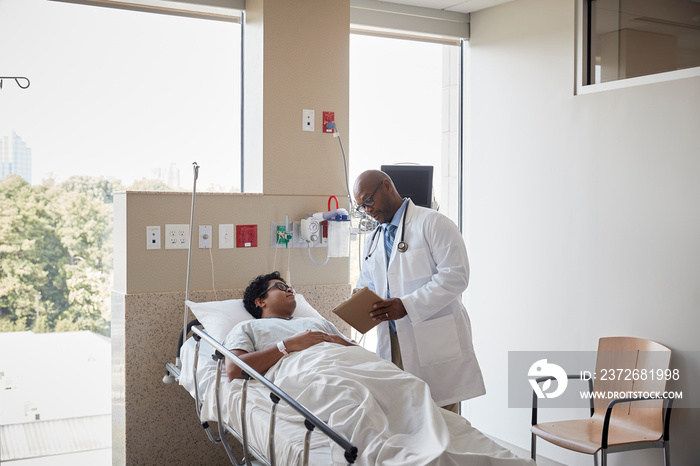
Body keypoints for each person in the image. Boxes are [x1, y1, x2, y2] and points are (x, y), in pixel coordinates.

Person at [353, 169, 485, 412]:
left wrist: (406, 305)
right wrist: (359, 298)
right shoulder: (373, 239)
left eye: (369, 201)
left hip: (431, 339)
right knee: (404, 417)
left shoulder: (433, 223)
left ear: (387, 186)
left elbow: (456, 276)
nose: (368, 210)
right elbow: (368, 283)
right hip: (391, 341)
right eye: (361, 207)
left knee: (444, 424)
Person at [223, 271, 355, 381]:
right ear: (261, 301)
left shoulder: (318, 322)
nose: (290, 290)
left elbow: (359, 352)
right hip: (312, 375)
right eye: (280, 287)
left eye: (289, 287)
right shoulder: (248, 327)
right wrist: (287, 345)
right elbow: (234, 369)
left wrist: (341, 341)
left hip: (348, 366)